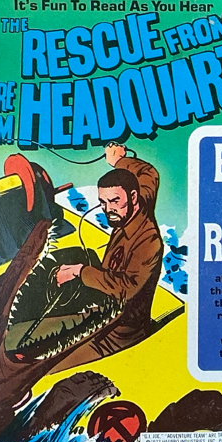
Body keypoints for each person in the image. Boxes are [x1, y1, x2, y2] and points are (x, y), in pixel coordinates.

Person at [55, 143, 164, 359]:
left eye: (114, 201)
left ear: (133, 197)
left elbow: (126, 287)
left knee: (55, 364)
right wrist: (119, 161)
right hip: (102, 310)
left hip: (121, 331)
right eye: (103, 202)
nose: (108, 210)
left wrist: (80, 272)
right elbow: (149, 174)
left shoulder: (148, 240)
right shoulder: (140, 202)